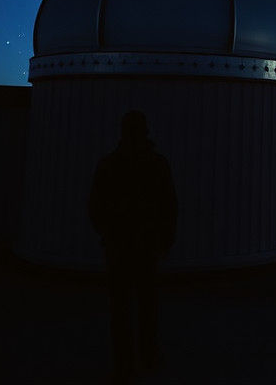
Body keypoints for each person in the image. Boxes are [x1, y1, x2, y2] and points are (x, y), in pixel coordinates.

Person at [88, 110, 178, 384]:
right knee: (147, 305)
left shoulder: (109, 164)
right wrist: (165, 240)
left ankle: (124, 365)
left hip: (118, 247)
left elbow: (96, 205)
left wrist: (107, 233)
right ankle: (149, 356)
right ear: (145, 131)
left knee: (120, 309)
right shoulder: (157, 164)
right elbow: (169, 206)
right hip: (147, 246)